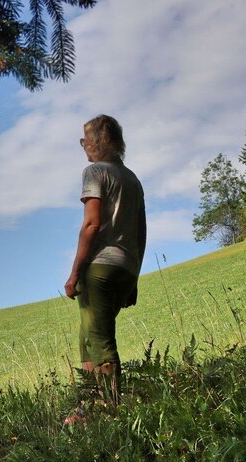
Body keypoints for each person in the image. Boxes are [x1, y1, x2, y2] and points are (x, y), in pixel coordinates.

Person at [63, 114, 146, 424]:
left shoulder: (94, 172)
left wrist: (74, 272)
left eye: (85, 140)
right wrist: (134, 276)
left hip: (99, 268)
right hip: (126, 267)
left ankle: (112, 413)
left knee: (100, 339)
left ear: (98, 143)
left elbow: (91, 223)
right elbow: (141, 230)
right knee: (86, 336)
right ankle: (88, 409)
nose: (83, 146)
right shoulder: (132, 180)